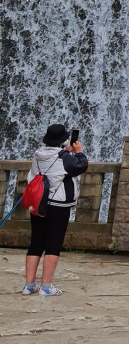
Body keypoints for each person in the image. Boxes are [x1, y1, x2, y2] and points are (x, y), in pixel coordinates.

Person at [22, 123, 88, 296]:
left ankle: (29, 285)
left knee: (36, 243)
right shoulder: (65, 158)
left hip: (38, 203)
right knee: (53, 244)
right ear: (62, 140)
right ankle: (46, 286)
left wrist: (65, 151)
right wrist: (78, 151)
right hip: (58, 205)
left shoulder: (38, 155)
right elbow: (81, 166)